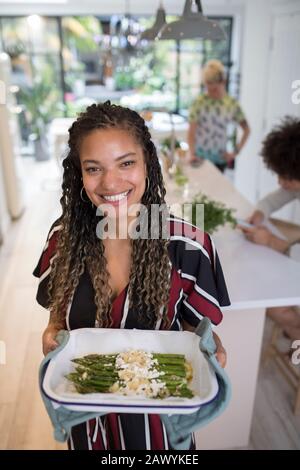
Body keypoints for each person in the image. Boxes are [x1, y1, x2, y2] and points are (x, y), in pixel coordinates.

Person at [33, 101, 230, 450]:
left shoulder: (189, 247)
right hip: (86, 419)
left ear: (148, 163)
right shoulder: (63, 239)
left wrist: (210, 351)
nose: (110, 182)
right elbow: (57, 314)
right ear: (78, 174)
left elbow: (197, 334)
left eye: (126, 163)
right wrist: (52, 331)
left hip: (159, 429)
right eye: (94, 168)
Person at [239, 116, 300, 340]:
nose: (280, 182)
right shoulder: (296, 182)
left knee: (275, 306)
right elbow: (274, 199)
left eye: (285, 177)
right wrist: (259, 213)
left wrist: (272, 242)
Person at [188, 59, 250, 172]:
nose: (211, 92)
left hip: (220, 161)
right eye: (208, 88)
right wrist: (192, 153)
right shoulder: (199, 102)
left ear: (223, 82)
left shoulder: (231, 104)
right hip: (199, 158)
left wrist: (235, 152)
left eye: (215, 89)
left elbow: (246, 129)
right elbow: (191, 132)